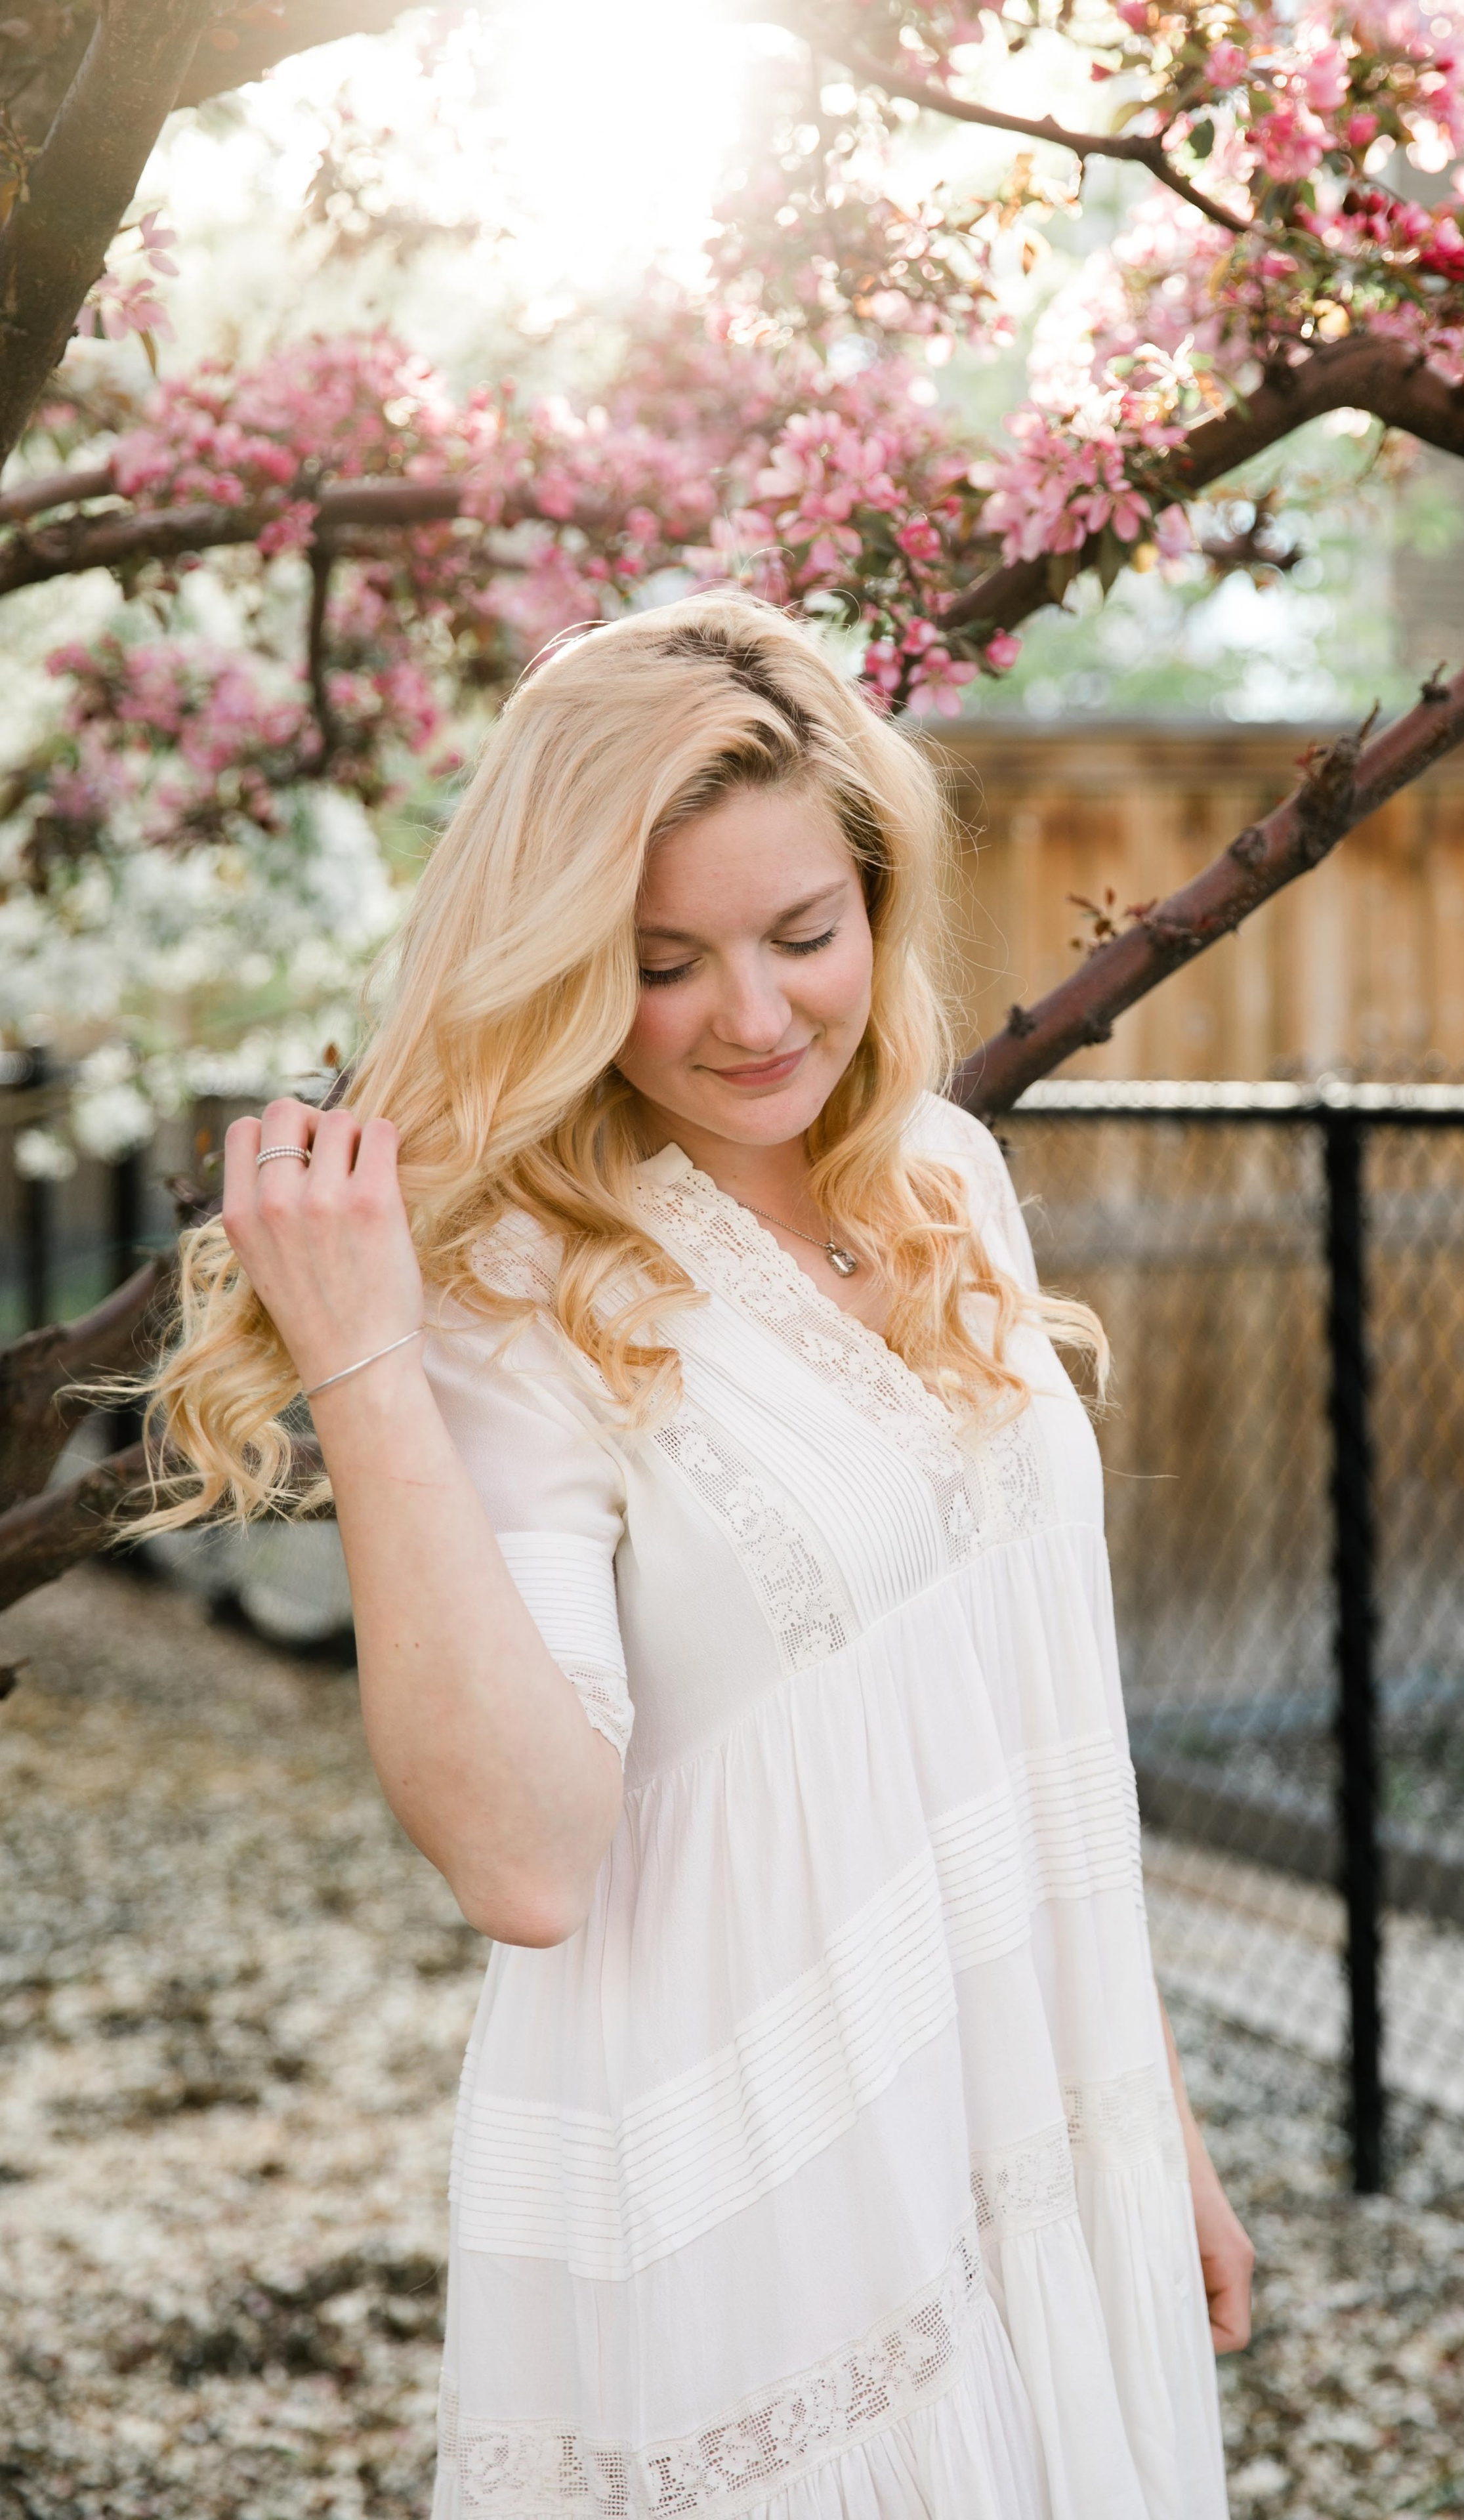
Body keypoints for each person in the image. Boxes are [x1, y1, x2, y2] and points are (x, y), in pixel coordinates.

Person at [150, 594, 1252, 2520]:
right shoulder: (509, 1291)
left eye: (803, 936)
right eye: (664, 964)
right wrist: (358, 1363)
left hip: (1030, 2131)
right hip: (768, 2197)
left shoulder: (939, 1176)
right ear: (568, 959)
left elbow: (1023, 1707)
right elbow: (522, 1858)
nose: (753, 1018)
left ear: (880, 898)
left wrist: (1147, 2109)